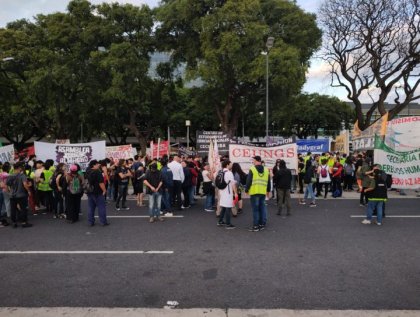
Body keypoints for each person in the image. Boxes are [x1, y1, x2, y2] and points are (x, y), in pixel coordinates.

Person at [245, 156, 271, 232]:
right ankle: (262, 224)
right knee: (262, 208)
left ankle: (256, 226)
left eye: (253, 160)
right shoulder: (266, 170)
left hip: (254, 192)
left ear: (257, 161)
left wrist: (246, 190)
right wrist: (268, 191)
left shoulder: (252, 169)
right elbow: (268, 182)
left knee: (255, 209)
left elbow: (249, 180)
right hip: (262, 192)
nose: (253, 162)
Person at [6, 162, 33, 228]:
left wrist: (9, 192)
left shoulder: (10, 176)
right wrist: (29, 190)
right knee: (23, 209)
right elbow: (25, 184)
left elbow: (7, 185)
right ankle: (24, 222)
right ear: (19, 168)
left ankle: (14, 223)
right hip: (21, 195)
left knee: (13, 209)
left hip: (12, 195)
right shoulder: (22, 175)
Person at [86, 160, 109, 227]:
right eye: (97, 164)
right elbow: (101, 183)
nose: (98, 165)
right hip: (98, 192)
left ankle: (90, 222)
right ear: (94, 165)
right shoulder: (97, 172)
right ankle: (103, 222)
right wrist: (104, 190)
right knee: (101, 207)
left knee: (91, 208)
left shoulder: (87, 171)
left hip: (90, 191)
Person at [217, 160, 237, 229]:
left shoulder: (220, 172)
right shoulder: (229, 173)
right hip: (228, 193)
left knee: (224, 207)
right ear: (227, 165)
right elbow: (233, 184)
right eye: (230, 164)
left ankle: (220, 221)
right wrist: (236, 193)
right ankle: (228, 224)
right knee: (228, 207)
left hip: (222, 192)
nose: (231, 165)